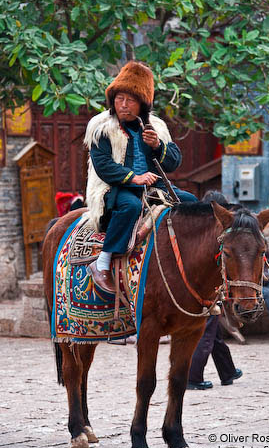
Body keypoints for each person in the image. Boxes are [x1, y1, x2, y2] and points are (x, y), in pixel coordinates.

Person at [84, 61, 197, 293]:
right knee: (131, 206)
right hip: (113, 187)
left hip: (152, 186)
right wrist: (133, 178)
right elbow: (103, 165)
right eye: (119, 98)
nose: (123, 105)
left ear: (142, 104)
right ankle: (102, 262)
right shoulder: (101, 126)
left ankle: (187, 259)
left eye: (131, 100)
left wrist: (157, 145)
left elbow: (174, 161)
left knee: (191, 203)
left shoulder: (155, 126)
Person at [187, 315, 243, 390]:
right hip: (207, 305)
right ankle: (193, 378)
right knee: (206, 335)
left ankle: (228, 372)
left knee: (214, 333)